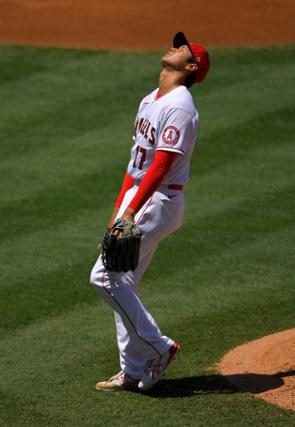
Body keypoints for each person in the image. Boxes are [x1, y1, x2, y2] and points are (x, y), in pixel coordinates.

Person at [89, 31, 210, 392]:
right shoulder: (150, 100)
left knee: (104, 277)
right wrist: (118, 209)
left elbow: (160, 165)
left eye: (182, 48)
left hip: (159, 201)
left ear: (190, 67)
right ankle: (133, 370)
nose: (173, 46)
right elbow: (135, 164)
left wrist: (132, 212)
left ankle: (159, 345)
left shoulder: (180, 106)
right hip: (143, 200)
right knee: (124, 285)